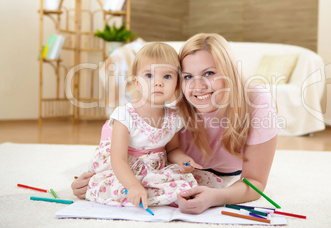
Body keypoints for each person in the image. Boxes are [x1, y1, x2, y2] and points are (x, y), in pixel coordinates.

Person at [72, 33, 279, 214]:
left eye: (209, 73)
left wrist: (216, 198)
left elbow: (256, 183)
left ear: (229, 71)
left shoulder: (256, 100)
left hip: (189, 171)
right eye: (188, 76)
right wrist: (93, 178)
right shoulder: (172, 105)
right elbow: (117, 152)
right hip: (138, 161)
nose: (198, 86)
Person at [85, 42, 203, 209]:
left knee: (190, 185)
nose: (158, 83)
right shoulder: (125, 115)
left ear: (177, 84)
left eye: (167, 76)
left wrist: (183, 160)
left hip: (155, 167)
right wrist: (132, 185)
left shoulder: (173, 117)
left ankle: (156, 190)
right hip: (125, 167)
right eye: (149, 75)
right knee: (120, 190)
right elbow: (118, 159)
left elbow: (172, 150)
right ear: (137, 83)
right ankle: (137, 189)